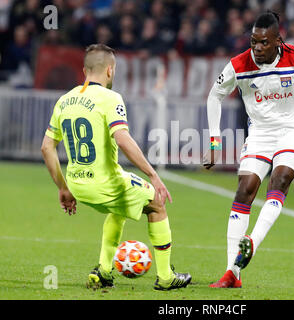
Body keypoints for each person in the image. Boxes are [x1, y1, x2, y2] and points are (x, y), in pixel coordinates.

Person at [203, 11, 294, 288]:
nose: (257, 48)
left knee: (280, 178)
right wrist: (214, 141)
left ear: (278, 40)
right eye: (253, 41)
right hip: (260, 134)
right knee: (245, 188)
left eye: (263, 43)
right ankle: (233, 273)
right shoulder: (238, 64)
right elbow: (214, 96)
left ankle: (252, 242)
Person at [41, 44, 191, 291]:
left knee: (120, 208)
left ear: (84, 69)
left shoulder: (64, 100)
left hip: (77, 184)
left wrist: (63, 188)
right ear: (110, 70)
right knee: (156, 203)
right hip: (105, 183)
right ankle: (165, 277)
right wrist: (153, 175)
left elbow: (47, 147)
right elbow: (123, 139)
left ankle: (103, 271)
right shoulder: (111, 99)